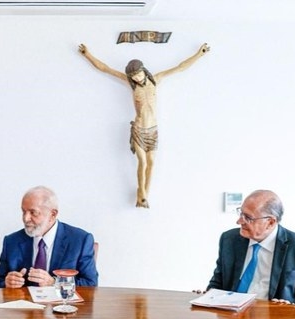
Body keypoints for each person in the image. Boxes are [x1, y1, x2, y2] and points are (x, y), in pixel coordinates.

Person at [78, 43, 209, 208]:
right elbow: (105, 68)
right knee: (143, 162)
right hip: (139, 129)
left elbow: (180, 67)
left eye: (138, 74)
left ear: (143, 71)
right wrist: (87, 54)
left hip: (152, 130)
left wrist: (199, 54)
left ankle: (144, 196)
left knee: (151, 162)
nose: (137, 78)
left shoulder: (155, 80)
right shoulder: (130, 83)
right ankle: (142, 194)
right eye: (133, 77)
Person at [206, 190, 295, 308]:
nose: (239, 221)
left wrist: (291, 310)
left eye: (248, 218)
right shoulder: (229, 239)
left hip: (273, 317)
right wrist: (207, 297)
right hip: (230, 314)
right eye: (241, 213)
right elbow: (217, 283)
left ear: (270, 222)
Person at [0, 186, 98, 289]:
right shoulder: (11, 241)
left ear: (52, 214)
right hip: (23, 300)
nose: (26, 218)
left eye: (33, 212)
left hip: (61, 300)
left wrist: (55, 283)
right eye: (24, 211)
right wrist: (7, 283)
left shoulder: (80, 240)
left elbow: (91, 284)